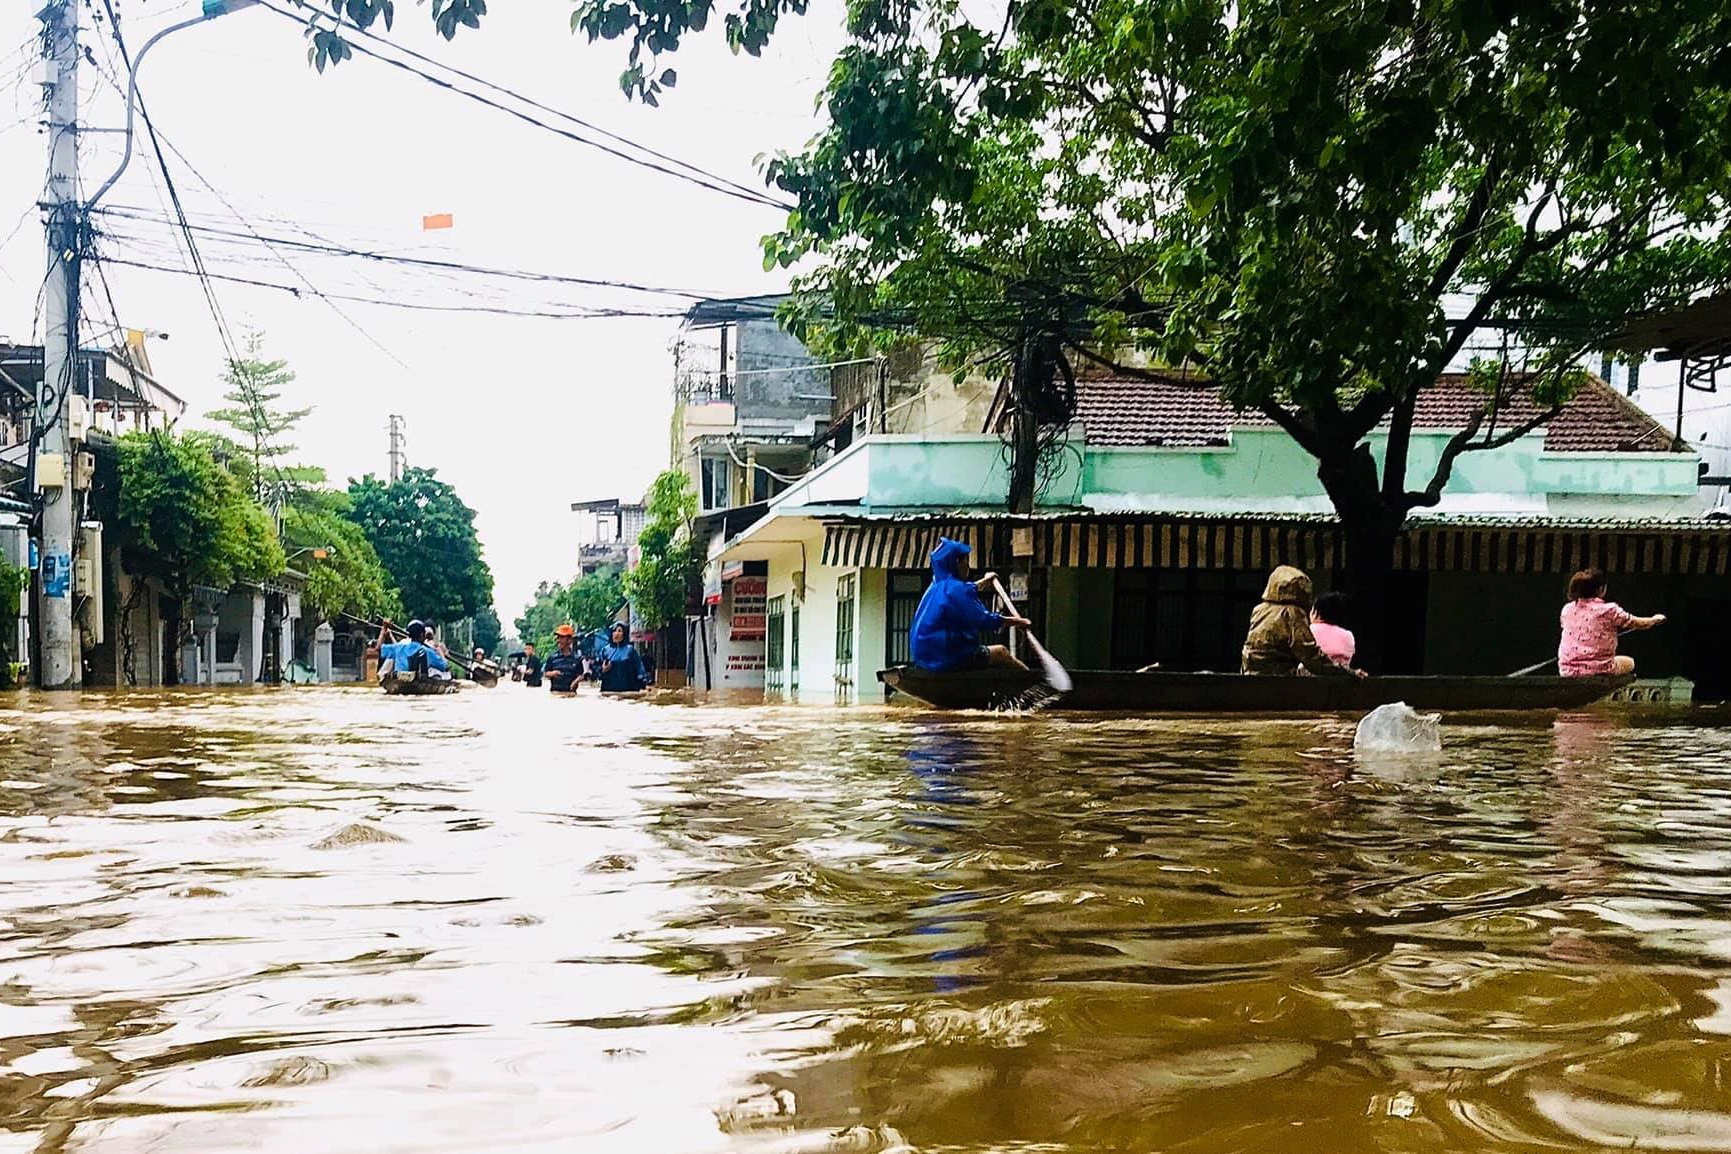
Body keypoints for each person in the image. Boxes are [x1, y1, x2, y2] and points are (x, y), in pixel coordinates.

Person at [909, 538, 1031, 672]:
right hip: (947, 658)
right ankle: (1033, 682)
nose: (968, 567)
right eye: (967, 561)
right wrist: (1019, 622)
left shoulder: (936, 584)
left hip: (926, 658)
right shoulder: (956, 589)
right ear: (957, 562)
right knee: (1001, 652)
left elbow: (962, 592)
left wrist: (985, 581)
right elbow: (985, 620)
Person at [1241, 566, 1365, 678]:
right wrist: (1346, 672)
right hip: (1278, 679)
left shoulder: (1259, 610)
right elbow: (1310, 654)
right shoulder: (1292, 613)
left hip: (1250, 674)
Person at [1558, 569, 1665, 677]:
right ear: (1601, 589)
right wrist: (1654, 620)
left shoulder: (1567, 609)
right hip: (1599, 668)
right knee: (1630, 663)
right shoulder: (1609, 610)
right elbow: (1638, 623)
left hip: (1567, 671)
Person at [377, 619, 451, 680]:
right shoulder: (427, 651)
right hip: (418, 680)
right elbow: (445, 667)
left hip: (399, 678)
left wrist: (383, 628)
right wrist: (440, 651)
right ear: (422, 635)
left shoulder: (399, 647)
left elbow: (378, 648)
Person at [597, 622, 650, 694]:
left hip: (628, 690)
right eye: (614, 631)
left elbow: (639, 667)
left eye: (619, 631)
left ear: (624, 634)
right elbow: (597, 670)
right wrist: (603, 669)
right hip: (609, 690)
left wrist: (644, 683)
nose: (616, 633)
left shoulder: (630, 650)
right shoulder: (605, 651)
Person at [1309, 591, 1356, 669]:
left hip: (1309, 678)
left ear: (1316, 612)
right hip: (1341, 678)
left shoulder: (1310, 630)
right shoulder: (1348, 635)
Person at [543, 624, 584, 693]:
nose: (558, 640)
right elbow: (545, 673)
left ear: (569, 640)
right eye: (558, 637)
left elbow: (581, 675)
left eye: (561, 637)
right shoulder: (553, 657)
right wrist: (552, 673)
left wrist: (576, 682)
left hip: (571, 694)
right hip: (555, 694)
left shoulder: (577, 658)